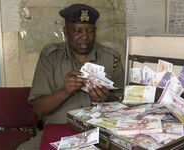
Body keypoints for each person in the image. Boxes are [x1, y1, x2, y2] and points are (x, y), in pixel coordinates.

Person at [17, 3, 124, 149]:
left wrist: (105, 99)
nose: (85, 37)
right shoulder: (51, 56)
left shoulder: (111, 57)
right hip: (58, 126)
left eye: (90, 31)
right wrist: (65, 91)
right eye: (77, 31)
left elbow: (124, 105)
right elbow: (38, 110)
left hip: (100, 129)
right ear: (66, 31)